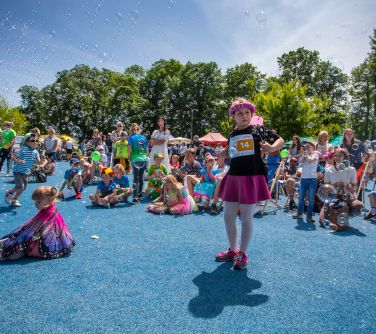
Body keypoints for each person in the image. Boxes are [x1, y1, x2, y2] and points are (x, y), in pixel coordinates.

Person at [216, 98, 284, 270]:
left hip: (251, 177)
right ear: (233, 116)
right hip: (233, 176)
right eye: (239, 113)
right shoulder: (232, 133)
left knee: (246, 216)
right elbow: (231, 153)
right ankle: (233, 249)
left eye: (247, 112)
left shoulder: (258, 130)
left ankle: (243, 253)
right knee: (228, 215)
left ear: (251, 115)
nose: (244, 116)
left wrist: (270, 147)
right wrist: (223, 153)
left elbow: (280, 141)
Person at [0, 186, 75, 261]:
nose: (35, 204)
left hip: (48, 240)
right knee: (19, 238)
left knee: (15, 251)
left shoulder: (50, 213)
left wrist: (23, 239)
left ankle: (17, 249)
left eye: (39, 201)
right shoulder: (48, 208)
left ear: (50, 200)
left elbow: (37, 231)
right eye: (35, 201)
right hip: (45, 235)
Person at [5, 133, 40, 207]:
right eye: (32, 141)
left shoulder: (36, 152)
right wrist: (18, 161)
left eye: (36, 141)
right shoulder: (23, 150)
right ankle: (10, 193)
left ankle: (14, 199)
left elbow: (38, 161)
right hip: (18, 171)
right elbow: (12, 157)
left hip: (26, 172)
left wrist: (41, 160)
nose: (35, 142)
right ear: (27, 142)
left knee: (23, 188)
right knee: (20, 186)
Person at [293, 141, 319, 222]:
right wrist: (304, 155)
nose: (306, 148)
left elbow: (311, 160)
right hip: (303, 179)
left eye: (308, 147)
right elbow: (300, 161)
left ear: (312, 147)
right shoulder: (304, 155)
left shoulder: (315, 154)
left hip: (312, 179)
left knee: (311, 199)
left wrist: (306, 154)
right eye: (305, 147)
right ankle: (300, 214)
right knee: (301, 198)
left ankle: (309, 216)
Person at [128, 123, 148, 204]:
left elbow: (129, 149)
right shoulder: (144, 138)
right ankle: (139, 195)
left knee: (135, 178)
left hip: (135, 159)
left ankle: (135, 197)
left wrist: (129, 158)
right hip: (143, 158)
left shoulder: (131, 137)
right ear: (139, 129)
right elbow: (146, 150)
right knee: (141, 177)